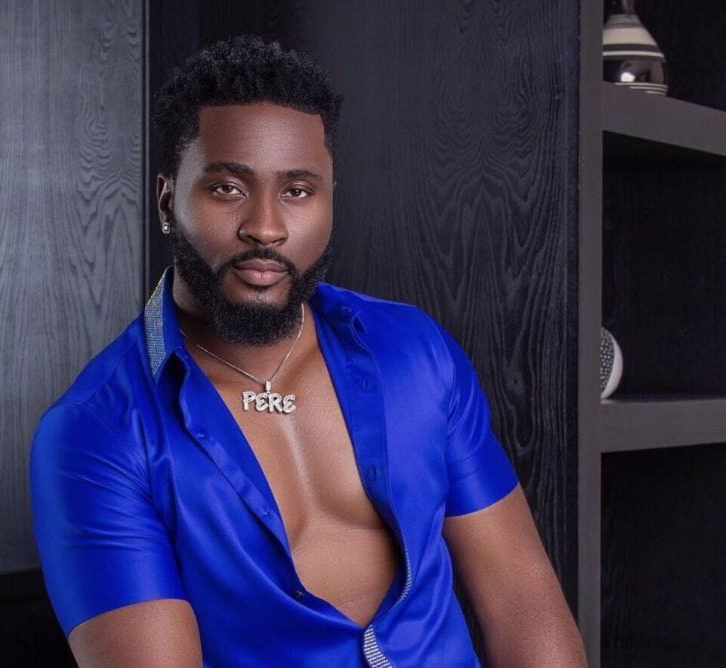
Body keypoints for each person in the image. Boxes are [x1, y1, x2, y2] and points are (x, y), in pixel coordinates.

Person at [30, 36, 587, 667]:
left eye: (297, 190)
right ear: (167, 201)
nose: (265, 228)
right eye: (227, 188)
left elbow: (522, 603)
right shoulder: (96, 434)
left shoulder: (415, 352)